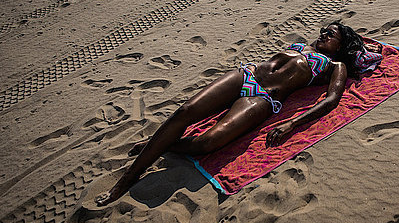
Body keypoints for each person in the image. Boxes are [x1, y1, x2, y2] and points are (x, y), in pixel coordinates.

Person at [96, 21, 378, 206]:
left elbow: (330, 101)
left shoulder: (334, 65)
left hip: (264, 98)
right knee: (185, 112)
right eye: (324, 30)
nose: (324, 35)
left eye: (331, 34)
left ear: (341, 44)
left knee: (209, 142)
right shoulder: (304, 45)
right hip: (246, 75)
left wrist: (292, 123)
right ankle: (128, 179)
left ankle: (161, 144)